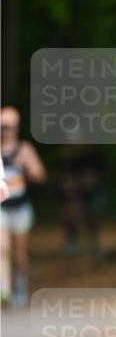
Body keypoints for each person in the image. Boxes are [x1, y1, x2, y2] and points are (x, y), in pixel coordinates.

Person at [0, 106, 47, 307]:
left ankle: (20, 285)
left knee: (19, 253)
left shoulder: (25, 149)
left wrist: (26, 166)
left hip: (21, 208)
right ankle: (4, 289)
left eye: (9, 127)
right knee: (2, 247)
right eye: (2, 127)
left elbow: (41, 175)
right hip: (2, 207)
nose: (6, 131)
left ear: (17, 128)